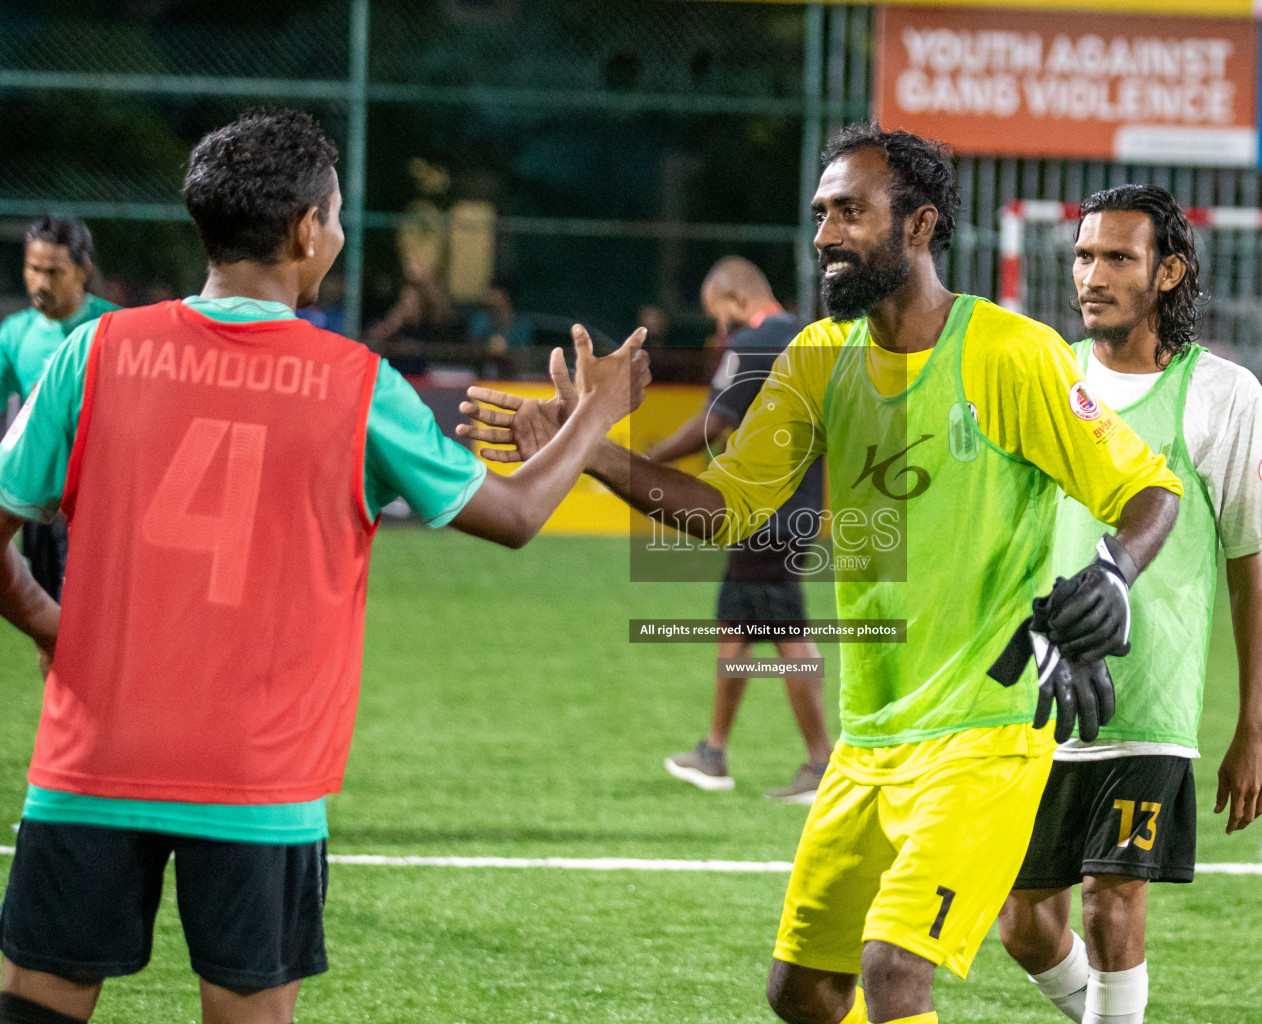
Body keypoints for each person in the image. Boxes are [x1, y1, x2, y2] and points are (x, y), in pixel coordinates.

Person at [459, 123, 1182, 1024]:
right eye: (818, 214)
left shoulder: (1009, 353)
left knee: (892, 969)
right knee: (800, 992)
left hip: (986, 737)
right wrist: (590, 451)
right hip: (869, 740)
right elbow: (723, 510)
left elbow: (1150, 488)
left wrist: (1113, 573)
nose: (824, 235)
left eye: (849, 211)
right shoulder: (815, 358)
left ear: (919, 227)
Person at [0, 109, 648, 1024]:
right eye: (338, 215)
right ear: (308, 229)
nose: (339, 234)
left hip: (89, 760)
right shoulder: (355, 383)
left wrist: (48, 622)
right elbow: (514, 517)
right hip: (258, 781)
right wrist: (594, 417)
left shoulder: (92, 353)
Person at [996, 184, 1262, 1024]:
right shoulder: (1045, 378)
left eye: (1118, 257)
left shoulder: (1223, 395)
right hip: (1039, 693)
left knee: (1111, 906)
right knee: (1021, 921)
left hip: (1150, 701)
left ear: (1169, 273)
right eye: (1085, 256)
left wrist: (1253, 725)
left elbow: (1247, 568)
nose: (1093, 275)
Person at [652, 256, 832, 803]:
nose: (718, 328)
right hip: (797, 504)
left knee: (789, 634)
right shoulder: (810, 337)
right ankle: (713, 752)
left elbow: (714, 423)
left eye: (719, 315)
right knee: (737, 623)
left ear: (734, 300)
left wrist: (642, 464)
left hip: (763, 512)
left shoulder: (750, 343)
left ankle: (822, 760)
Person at [0, 218, 119, 600]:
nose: (41, 283)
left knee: (95, 618)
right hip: (40, 502)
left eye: (55, 272)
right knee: (51, 619)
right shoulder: (15, 334)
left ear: (83, 271)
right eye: (34, 269)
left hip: (101, 500)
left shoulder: (115, 328)